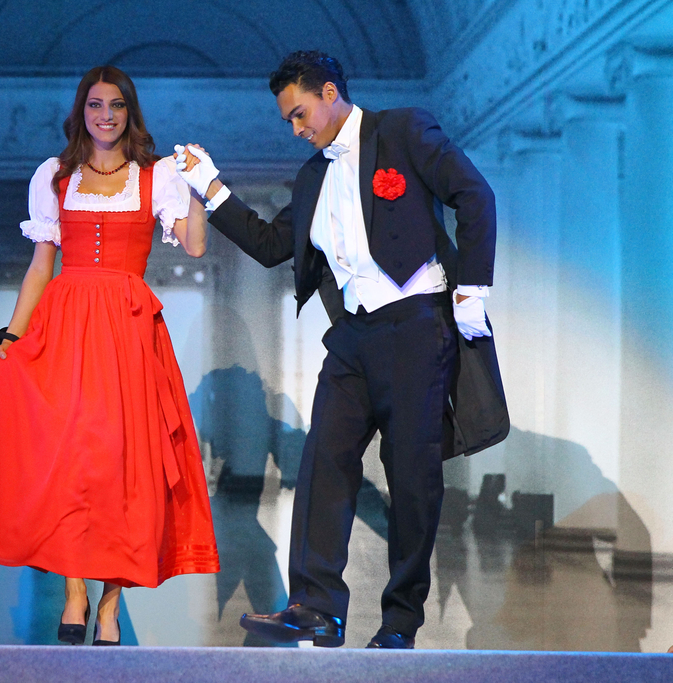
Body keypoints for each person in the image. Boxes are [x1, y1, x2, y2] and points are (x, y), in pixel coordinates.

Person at [175, 50, 499, 649]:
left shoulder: (402, 130)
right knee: (323, 462)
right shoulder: (312, 177)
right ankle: (316, 607)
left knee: (411, 479)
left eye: (299, 113)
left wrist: (472, 289)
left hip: (416, 323)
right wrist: (211, 189)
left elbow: (474, 195)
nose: (296, 129)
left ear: (330, 93)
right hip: (352, 336)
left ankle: (400, 623)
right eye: (288, 121)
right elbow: (271, 246)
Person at [0, 65, 220, 647]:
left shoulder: (157, 176)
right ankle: (74, 594)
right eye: (95, 105)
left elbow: (195, 245)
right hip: (66, 329)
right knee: (70, 464)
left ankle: (111, 605)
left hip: (128, 333)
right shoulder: (55, 175)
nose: (106, 115)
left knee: (123, 471)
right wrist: (12, 336)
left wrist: (199, 186)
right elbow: (41, 266)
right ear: (81, 112)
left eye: (116, 105)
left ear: (129, 112)